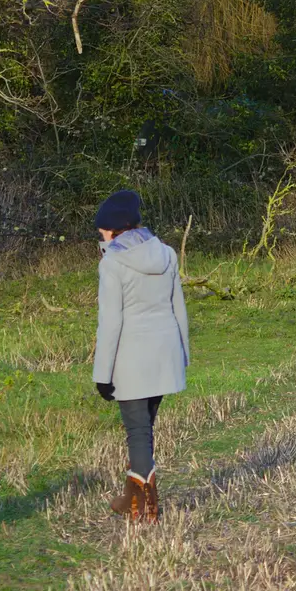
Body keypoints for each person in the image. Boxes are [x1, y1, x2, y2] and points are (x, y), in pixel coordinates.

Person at [91, 189, 189, 523]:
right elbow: (179, 309)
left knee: (138, 433)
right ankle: (131, 496)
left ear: (113, 230)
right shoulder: (167, 253)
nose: (99, 235)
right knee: (144, 430)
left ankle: (145, 509)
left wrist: (102, 375)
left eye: (102, 230)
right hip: (165, 355)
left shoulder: (112, 263)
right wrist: (183, 356)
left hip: (131, 361)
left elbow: (111, 323)